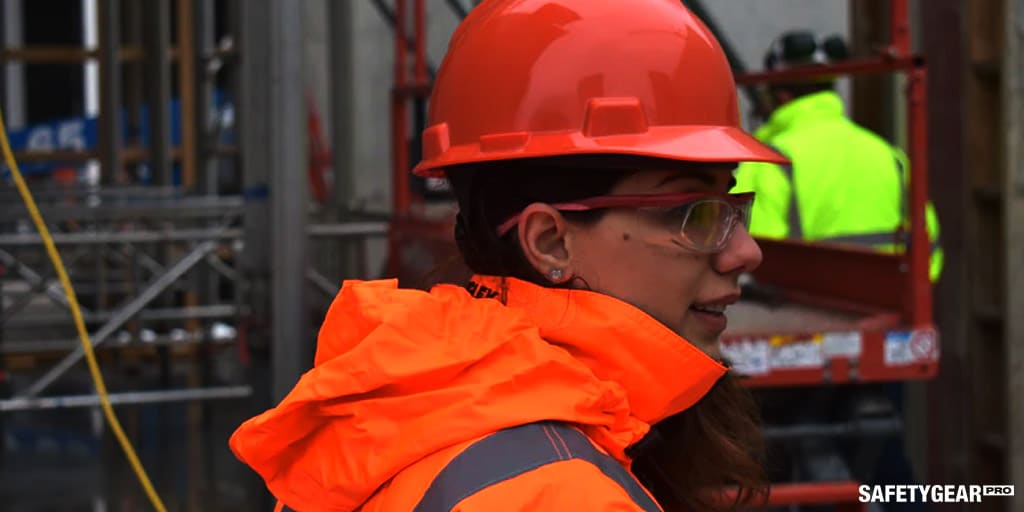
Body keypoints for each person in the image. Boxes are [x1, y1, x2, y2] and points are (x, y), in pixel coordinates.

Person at [230, 1, 790, 510]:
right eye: (693, 212)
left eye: (731, 204)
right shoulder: (562, 493)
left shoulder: (404, 409)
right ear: (550, 240)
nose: (745, 251)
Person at [734, 30, 943, 281]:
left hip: (808, 314)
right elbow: (929, 248)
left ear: (780, 95)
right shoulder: (890, 157)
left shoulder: (768, 162)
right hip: (890, 310)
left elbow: (752, 260)